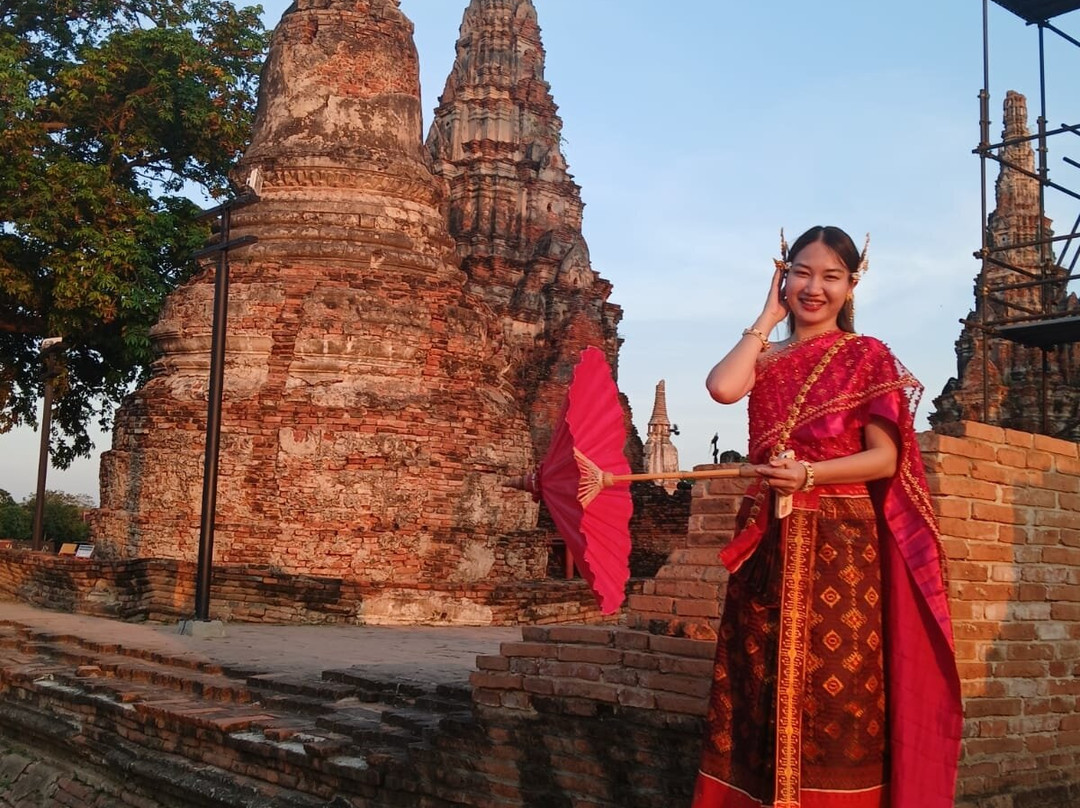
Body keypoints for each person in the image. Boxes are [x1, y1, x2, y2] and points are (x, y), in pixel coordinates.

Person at [692, 226, 962, 808]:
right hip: (768, 541)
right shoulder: (766, 357)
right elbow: (722, 388)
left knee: (839, 689)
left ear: (851, 284)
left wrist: (811, 474)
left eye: (831, 276)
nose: (814, 288)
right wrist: (767, 317)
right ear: (783, 276)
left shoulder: (867, 355)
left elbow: (885, 457)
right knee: (756, 684)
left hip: (841, 546)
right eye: (801, 273)